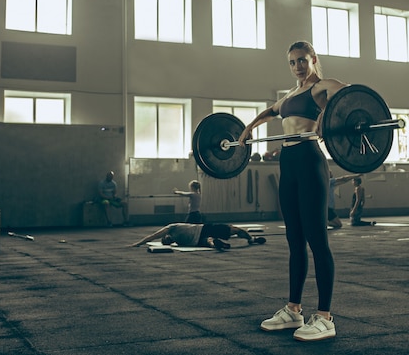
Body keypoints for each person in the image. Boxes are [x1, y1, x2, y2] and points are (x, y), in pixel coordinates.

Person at [238, 40, 348, 342]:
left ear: (312, 60)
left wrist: (326, 115)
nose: (298, 66)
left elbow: (349, 93)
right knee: (294, 239)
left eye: (302, 60)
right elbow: (270, 112)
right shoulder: (290, 95)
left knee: (316, 238)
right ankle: (294, 309)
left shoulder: (320, 87)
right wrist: (248, 130)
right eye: (292, 62)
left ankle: (325, 316)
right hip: (288, 162)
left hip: (310, 159)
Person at [129, 222, 266, 250]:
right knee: (209, 241)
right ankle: (218, 244)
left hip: (204, 228)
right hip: (199, 239)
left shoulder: (170, 228)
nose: (166, 240)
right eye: (167, 242)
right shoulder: (178, 242)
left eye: (165, 239)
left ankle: (251, 239)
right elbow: (154, 237)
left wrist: (138, 243)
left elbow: (152, 236)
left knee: (233, 229)